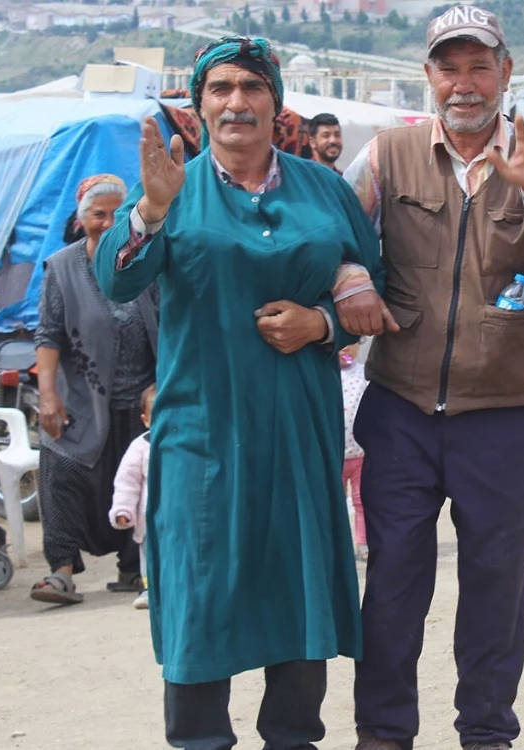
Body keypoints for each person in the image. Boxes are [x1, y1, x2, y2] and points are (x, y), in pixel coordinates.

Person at [91, 35, 383, 749]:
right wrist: (151, 213)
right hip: (203, 430)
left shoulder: (323, 188)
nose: (236, 102)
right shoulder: (173, 188)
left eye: (252, 88)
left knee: (300, 579)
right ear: (199, 108)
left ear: (275, 105)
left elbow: (368, 288)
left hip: (298, 424)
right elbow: (116, 279)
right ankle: (198, 741)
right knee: (200, 584)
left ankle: (292, 738)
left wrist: (322, 323)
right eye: (219, 89)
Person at [333, 6, 524, 748]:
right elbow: (337, 232)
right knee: (391, 587)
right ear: (429, 77)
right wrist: (352, 277)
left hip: (502, 418)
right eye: (449, 68)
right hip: (402, 410)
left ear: (505, 73)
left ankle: (486, 733)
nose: (464, 83)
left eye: (479, 66)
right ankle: (383, 734)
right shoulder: (389, 155)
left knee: (494, 586)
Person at [30, 173, 157, 606]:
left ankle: (133, 569)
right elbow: (47, 335)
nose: (105, 223)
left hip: (143, 397)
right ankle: (60, 572)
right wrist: (48, 394)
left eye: (114, 214)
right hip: (82, 396)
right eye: (96, 214)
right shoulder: (62, 267)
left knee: (140, 477)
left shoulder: (147, 262)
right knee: (62, 470)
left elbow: (171, 323)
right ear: (81, 219)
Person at [108, 383, 156, 610]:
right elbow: (127, 483)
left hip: (182, 519)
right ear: (145, 419)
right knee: (149, 559)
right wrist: (123, 510)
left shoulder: (185, 445)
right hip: (149, 521)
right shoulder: (140, 448)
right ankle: (149, 589)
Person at [339, 342, 368, 561]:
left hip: (361, 454)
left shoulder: (365, 375)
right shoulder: (327, 374)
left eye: (351, 344)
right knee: (337, 502)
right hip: (336, 455)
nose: (345, 349)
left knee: (362, 500)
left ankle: (362, 542)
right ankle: (339, 543)